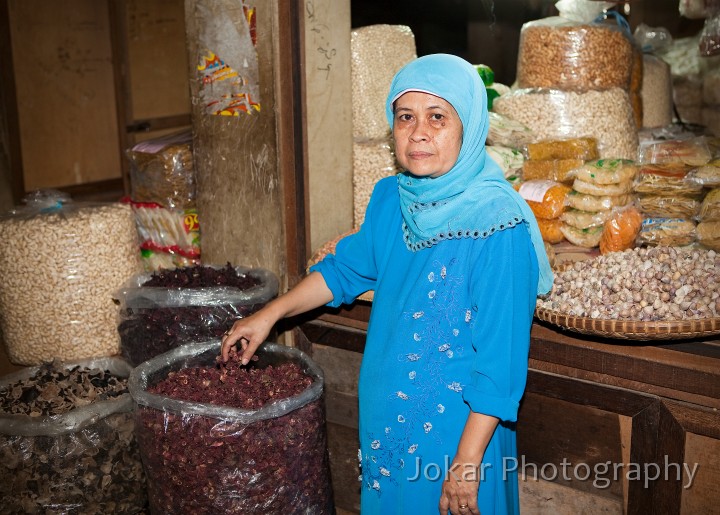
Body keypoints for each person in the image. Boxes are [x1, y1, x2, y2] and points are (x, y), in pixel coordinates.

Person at [221, 53, 553, 514]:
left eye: (438, 117)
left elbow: (501, 363)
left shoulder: (499, 225)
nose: (418, 132)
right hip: (387, 430)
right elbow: (343, 271)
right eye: (405, 117)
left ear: (470, 126)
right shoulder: (391, 199)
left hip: (456, 441)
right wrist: (269, 314)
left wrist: (467, 463)